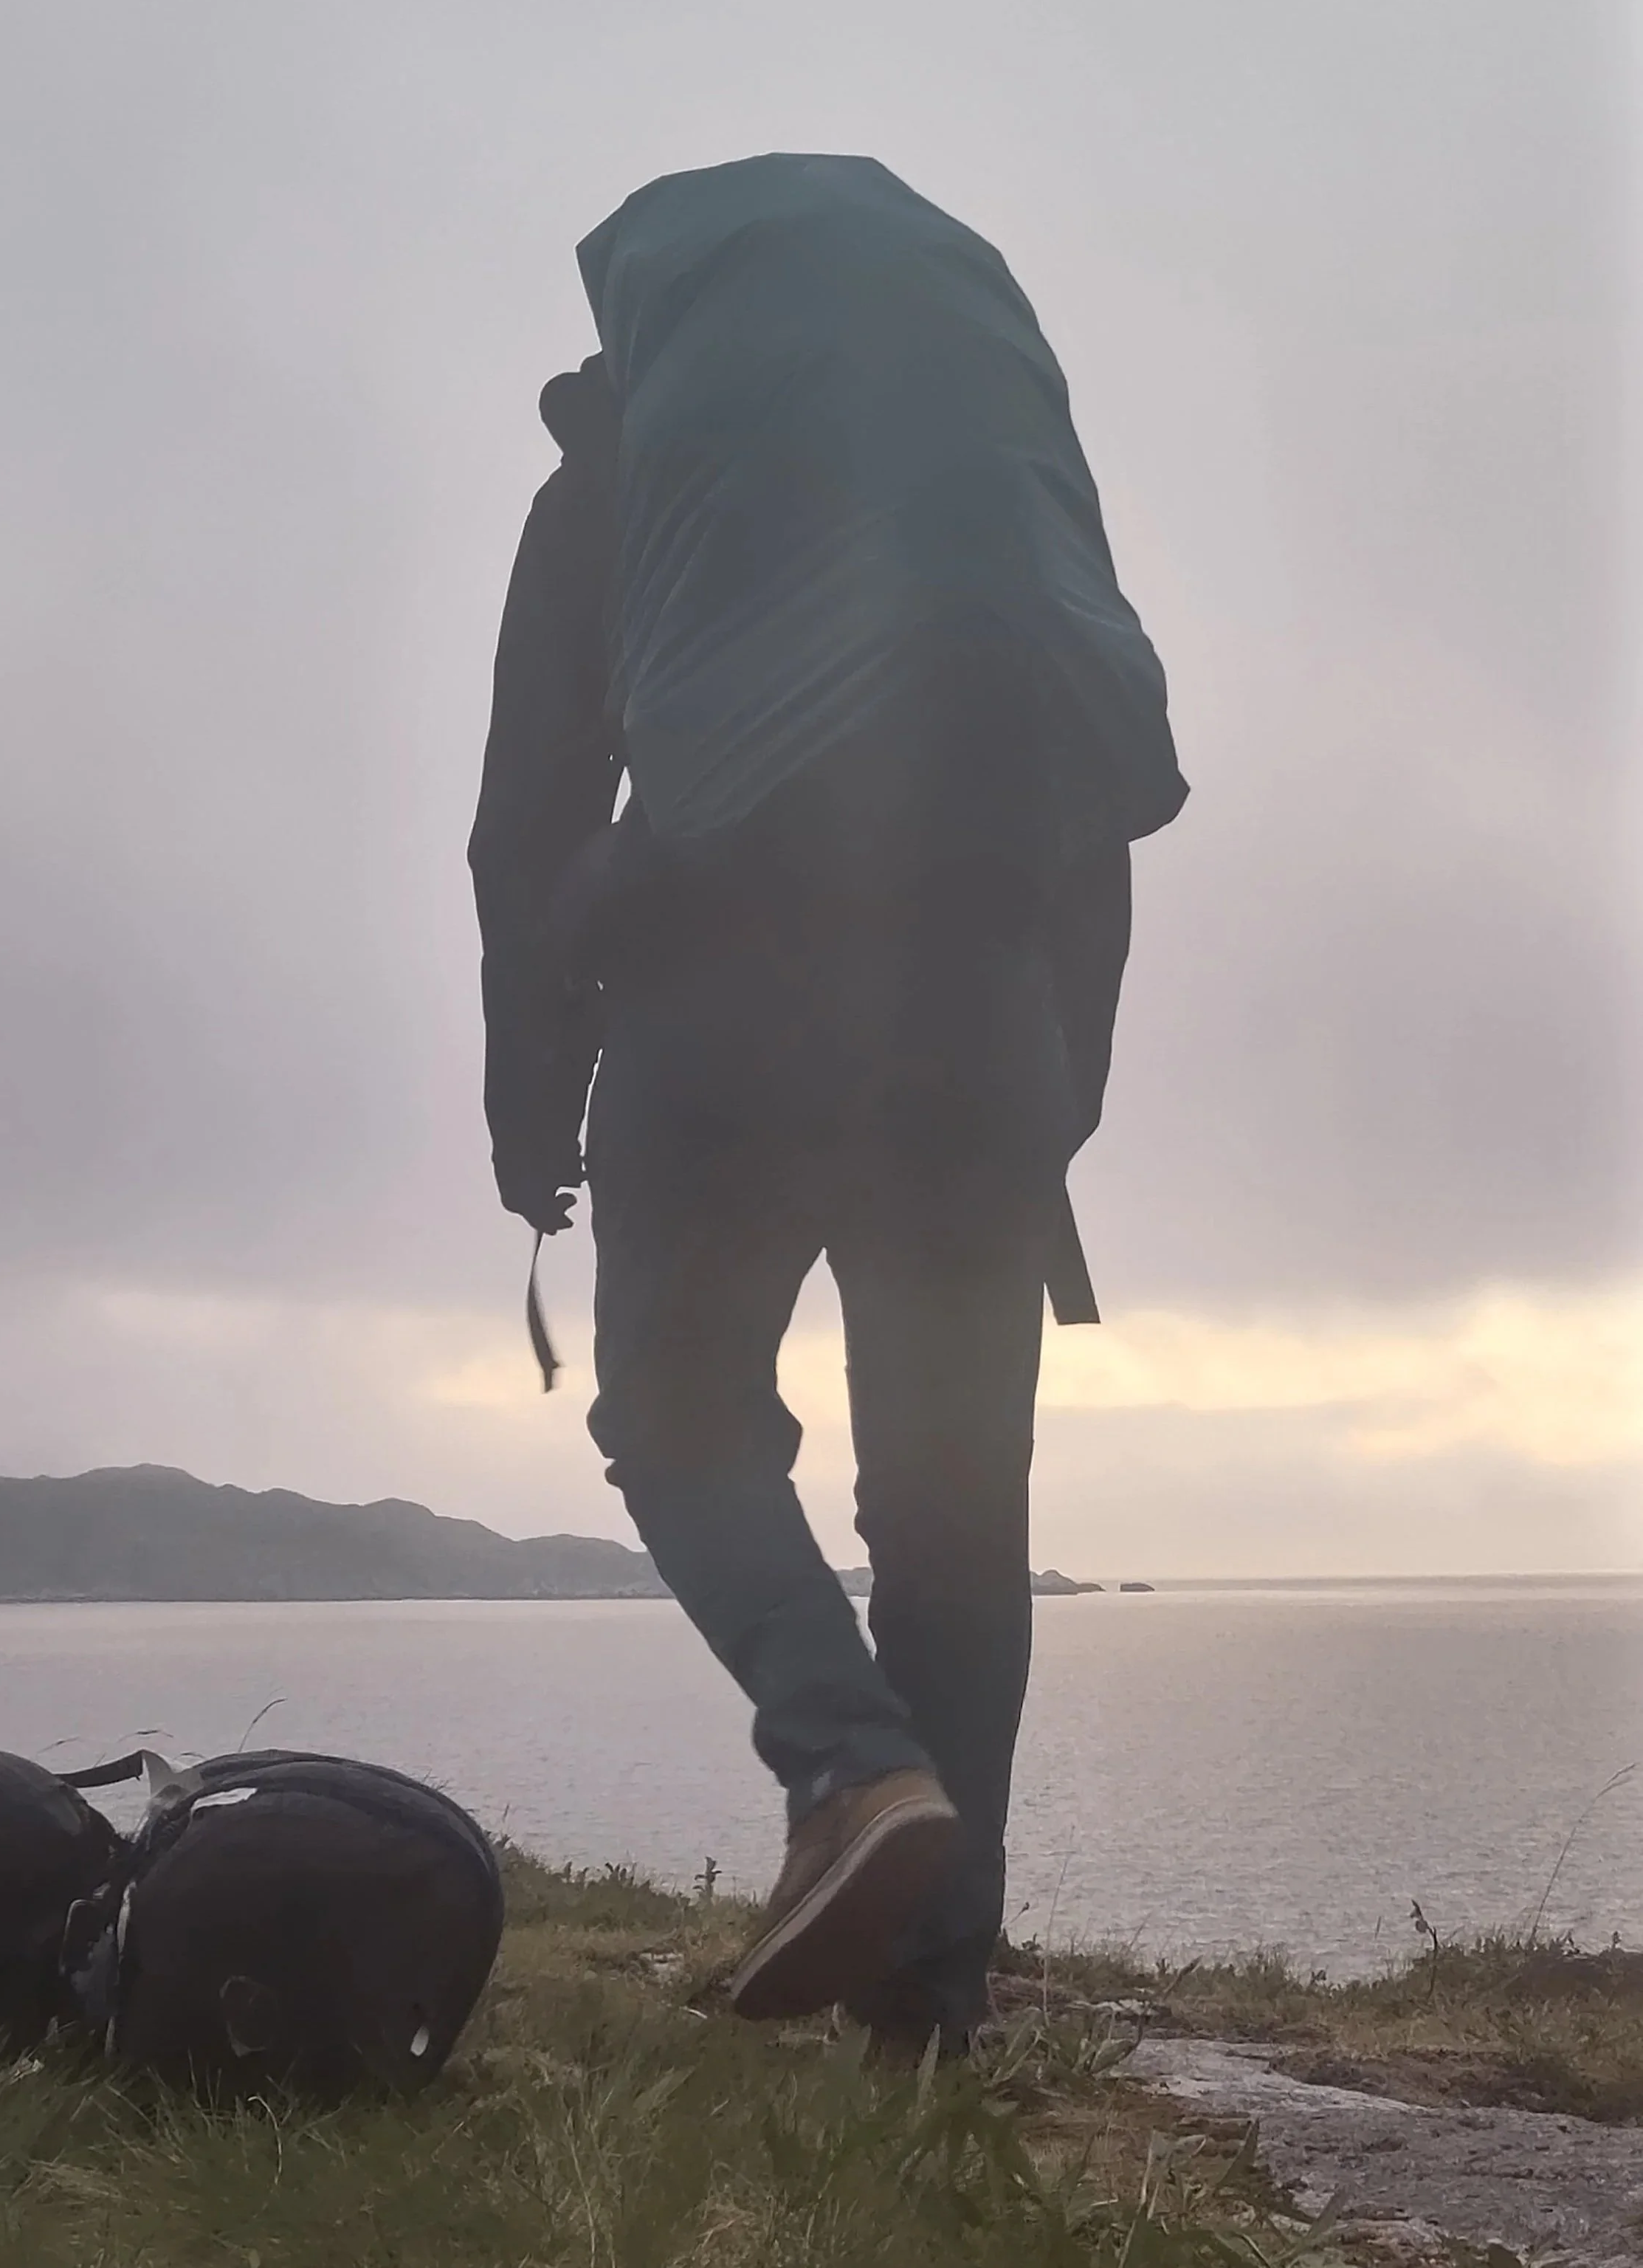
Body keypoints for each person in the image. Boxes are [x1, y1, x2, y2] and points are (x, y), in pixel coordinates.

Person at [469, 155, 1186, 2054]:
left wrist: (526, 1105)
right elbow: (1096, 834)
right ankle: (932, 2029)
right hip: (983, 1017)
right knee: (954, 1515)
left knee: (677, 1415)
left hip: (718, 997)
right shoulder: (997, 519)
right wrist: (1056, 1106)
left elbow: (523, 817)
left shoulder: (628, 479)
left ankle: (848, 1762)